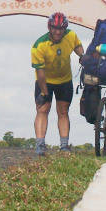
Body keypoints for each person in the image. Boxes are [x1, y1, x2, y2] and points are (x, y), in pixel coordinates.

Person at [31, 12, 84, 155]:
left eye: (61, 29)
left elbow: (77, 46)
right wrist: (44, 93)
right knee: (43, 110)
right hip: (45, 81)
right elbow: (40, 73)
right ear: (49, 27)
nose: (57, 32)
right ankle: (40, 145)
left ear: (65, 28)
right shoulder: (39, 46)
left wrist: (82, 56)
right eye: (54, 28)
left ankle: (64, 146)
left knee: (63, 111)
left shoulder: (70, 35)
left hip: (64, 80)